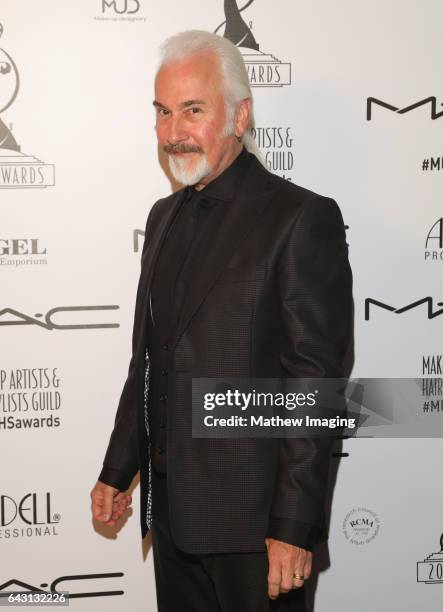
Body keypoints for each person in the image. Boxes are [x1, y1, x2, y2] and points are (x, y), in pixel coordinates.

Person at [90, 30, 353, 612]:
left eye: (192, 110)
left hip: (259, 534)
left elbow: (317, 386)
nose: (172, 132)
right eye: (162, 112)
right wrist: (117, 470)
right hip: (176, 521)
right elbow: (150, 362)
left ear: (240, 116)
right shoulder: (162, 219)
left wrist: (292, 525)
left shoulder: (300, 218)